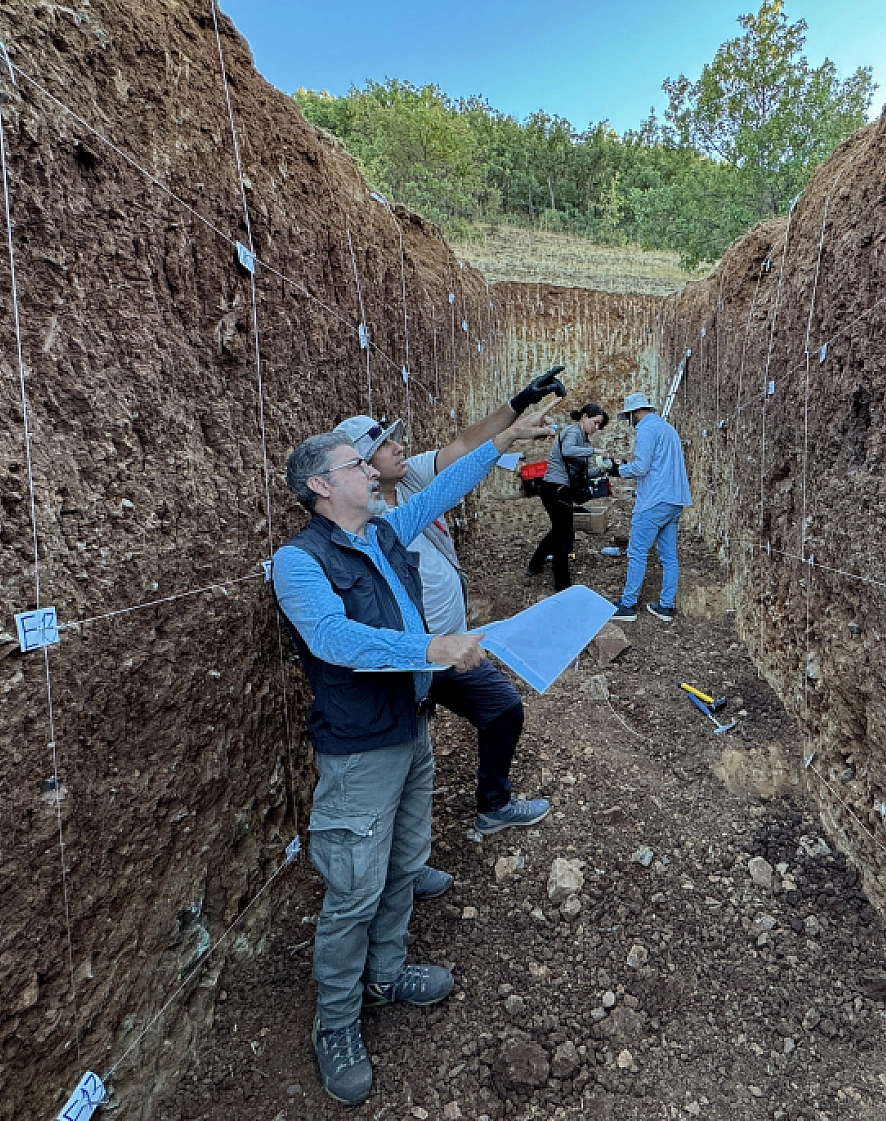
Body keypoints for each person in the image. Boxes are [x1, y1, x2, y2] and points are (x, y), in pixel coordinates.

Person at [272, 388, 556, 1108]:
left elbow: (446, 483)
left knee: (402, 865)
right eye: (354, 463)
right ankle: (336, 1022)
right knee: (353, 891)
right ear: (319, 485)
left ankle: (388, 971)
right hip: (361, 749)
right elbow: (334, 641)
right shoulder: (298, 562)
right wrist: (431, 646)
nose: (372, 468)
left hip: (410, 730)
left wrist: (505, 441)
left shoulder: (385, 532)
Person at [336, 370, 563, 853]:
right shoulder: (364, 517)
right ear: (360, 466)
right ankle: (456, 830)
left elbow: (465, 444)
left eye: (396, 439)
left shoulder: (412, 477)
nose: (399, 446)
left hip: (450, 639)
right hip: (423, 649)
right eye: (384, 444)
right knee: (491, 713)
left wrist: (518, 402)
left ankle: (475, 816)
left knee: (480, 720)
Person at [605, 391, 692, 622]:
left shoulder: (646, 429)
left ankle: (628, 604)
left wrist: (617, 470)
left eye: (629, 417)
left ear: (634, 413)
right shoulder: (668, 429)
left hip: (654, 500)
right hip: (675, 499)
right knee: (669, 557)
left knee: (637, 552)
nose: (630, 423)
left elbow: (642, 467)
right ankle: (666, 605)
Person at [528, 402, 609, 590]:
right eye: (595, 423)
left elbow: (584, 470)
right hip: (554, 488)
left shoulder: (584, 439)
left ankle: (535, 565)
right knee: (564, 535)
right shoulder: (573, 432)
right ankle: (562, 584)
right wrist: (595, 451)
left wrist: (605, 469)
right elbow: (567, 451)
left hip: (561, 490)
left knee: (558, 530)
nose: (596, 428)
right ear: (584, 417)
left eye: (599, 425)